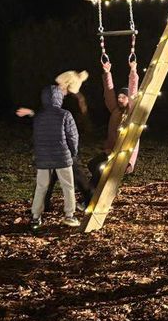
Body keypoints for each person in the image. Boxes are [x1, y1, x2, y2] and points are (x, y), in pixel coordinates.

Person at [16, 70, 92, 207]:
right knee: (54, 175)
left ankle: (89, 198)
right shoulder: (61, 98)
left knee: (74, 173)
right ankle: (44, 204)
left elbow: (65, 121)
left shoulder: (71, 100)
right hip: (58, 144)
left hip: (64, 144)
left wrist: (72, 148)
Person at [30, 84, 82, 229]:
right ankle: (69, 215)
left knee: (41, 187)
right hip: (62, 157)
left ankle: (35, 216)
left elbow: (35, 137)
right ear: (59, 97)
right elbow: (73, 136)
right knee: (68, 187)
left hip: (43, 157)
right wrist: (73, 152)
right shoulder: (65, 115)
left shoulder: (39, 116)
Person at [88, 53, 140, 184]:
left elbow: (133, 91)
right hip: (112, 151)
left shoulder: (132, 112)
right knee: (92, 164)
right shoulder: (115, 110)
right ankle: (97, 189)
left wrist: (133, 71)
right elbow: (109, 92)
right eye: (119, 97)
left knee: (101, 170)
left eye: (123, 97)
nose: (119, 99)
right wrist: (107, 73)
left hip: (124, 155)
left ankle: (90, 196)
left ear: (129, 99)